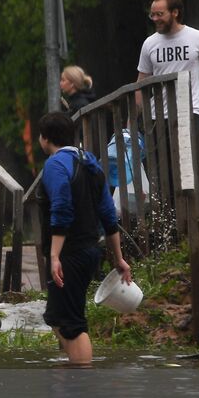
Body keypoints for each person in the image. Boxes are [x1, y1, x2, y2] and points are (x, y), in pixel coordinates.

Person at [36, 111, 131, 365]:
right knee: (57, 317)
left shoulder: (55, 165)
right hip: (89, 250)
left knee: (71, 323)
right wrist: (118, 258)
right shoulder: (88, 160)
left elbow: (62, 209)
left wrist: (55, 255)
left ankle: (82, 382)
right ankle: (73, 377)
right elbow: (108, 215)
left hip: (71, 254)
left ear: (45, 139)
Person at [137, 0, 199, 138]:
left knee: (188, 160)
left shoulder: (197, 37)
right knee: (162, 160)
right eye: (152, 15)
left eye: (159, 14)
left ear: (175, 12)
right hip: (157, 118)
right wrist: (131, 122)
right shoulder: (149, 43)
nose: (155, 19)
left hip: (190, 112)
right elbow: (140, 83)